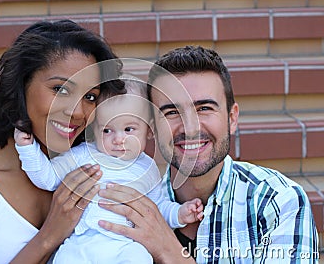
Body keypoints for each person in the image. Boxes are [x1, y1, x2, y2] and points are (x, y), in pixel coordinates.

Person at [97, 46, 319, 263]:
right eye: (172, 112)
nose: (190, 128)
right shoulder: (127, 204)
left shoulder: (277, 201)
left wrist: (170, 252)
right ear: (152, 127)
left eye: (204, 108)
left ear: (232, 119)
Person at [0, 19, 127, 263]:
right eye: (60, 90)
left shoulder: (94, 167)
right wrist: (49, 236)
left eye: (91, 96)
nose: (78, 112)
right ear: (21, 84)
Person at [14, 77, 204, 263]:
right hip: (82, 241)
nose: (118, 139)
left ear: (149, 130)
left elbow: (157, 208)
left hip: (126, 244)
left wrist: (180, 214)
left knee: (140, 258)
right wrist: (28, 149)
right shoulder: (82, 155)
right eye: (107, 130)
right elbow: (47, 178)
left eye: (129, 129)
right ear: (95, 130)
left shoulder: (147, 168)